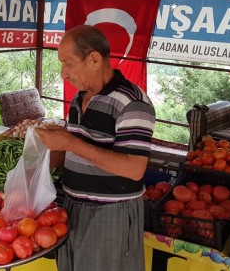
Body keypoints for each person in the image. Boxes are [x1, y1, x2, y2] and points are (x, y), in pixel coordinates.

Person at [36, 25, 155, 271]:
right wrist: (45, 150)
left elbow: (134, 169)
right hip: (72, 207)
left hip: (110, 213)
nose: (62, 73)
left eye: (68, 63)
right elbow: (72, 153)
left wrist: (70, 142)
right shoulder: (79, 98)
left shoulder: (132, 102)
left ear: (93, 59)